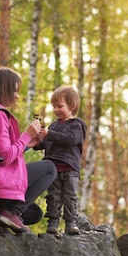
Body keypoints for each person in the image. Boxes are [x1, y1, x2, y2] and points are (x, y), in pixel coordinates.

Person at [0, 66, 56, 234]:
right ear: (4, 88)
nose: (17, 95)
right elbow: (5, 156)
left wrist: (27, 145)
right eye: (15, 90)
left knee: (34, 213)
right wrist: (26, 135)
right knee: (49, 168)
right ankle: (10, 212)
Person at [34, 86, 87, 235]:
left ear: (72, 106)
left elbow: (70, 139)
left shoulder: (77, 125)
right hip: (53, 168)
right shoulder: (54, 125)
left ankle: (71, 222)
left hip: (70, 168)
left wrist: (50, 134)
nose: (56, 109)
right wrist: (37, 140)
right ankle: (53, 221)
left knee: (69, 196)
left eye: (60, 106)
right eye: (54, 106)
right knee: (53, 195)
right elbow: (46, 143)